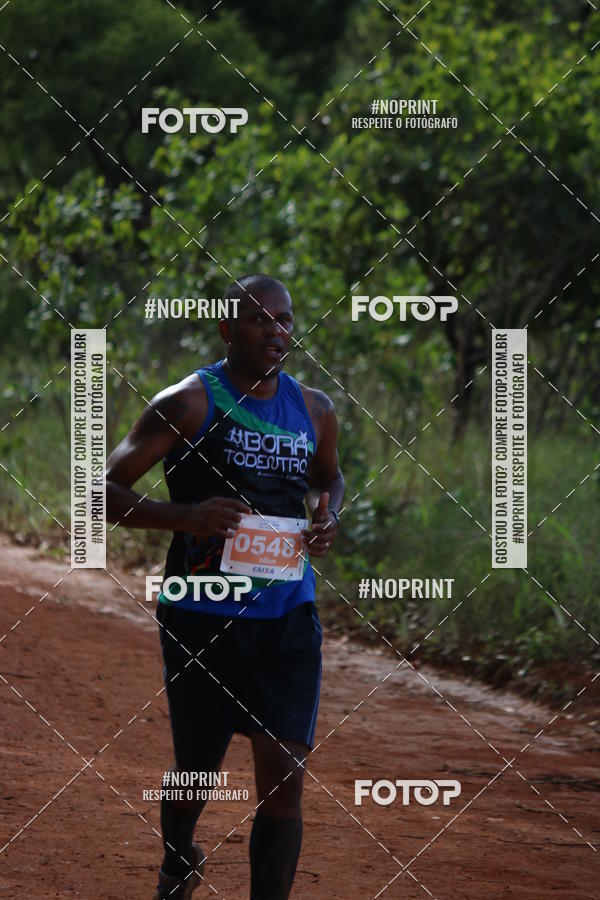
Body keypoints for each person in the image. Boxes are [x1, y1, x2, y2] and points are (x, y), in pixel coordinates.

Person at [105, 274, 344, 899]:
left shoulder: (315, 410)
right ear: (226, 329)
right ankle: (178, 859)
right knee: (197, 771)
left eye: (285, 320)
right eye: (260, 318)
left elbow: (330, 481)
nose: (276, 331)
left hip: (287, 615)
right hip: (202, 616)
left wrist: (328, 516)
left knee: (284, 776)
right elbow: (103, 491)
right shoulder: (186, 404)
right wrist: (185, 517)